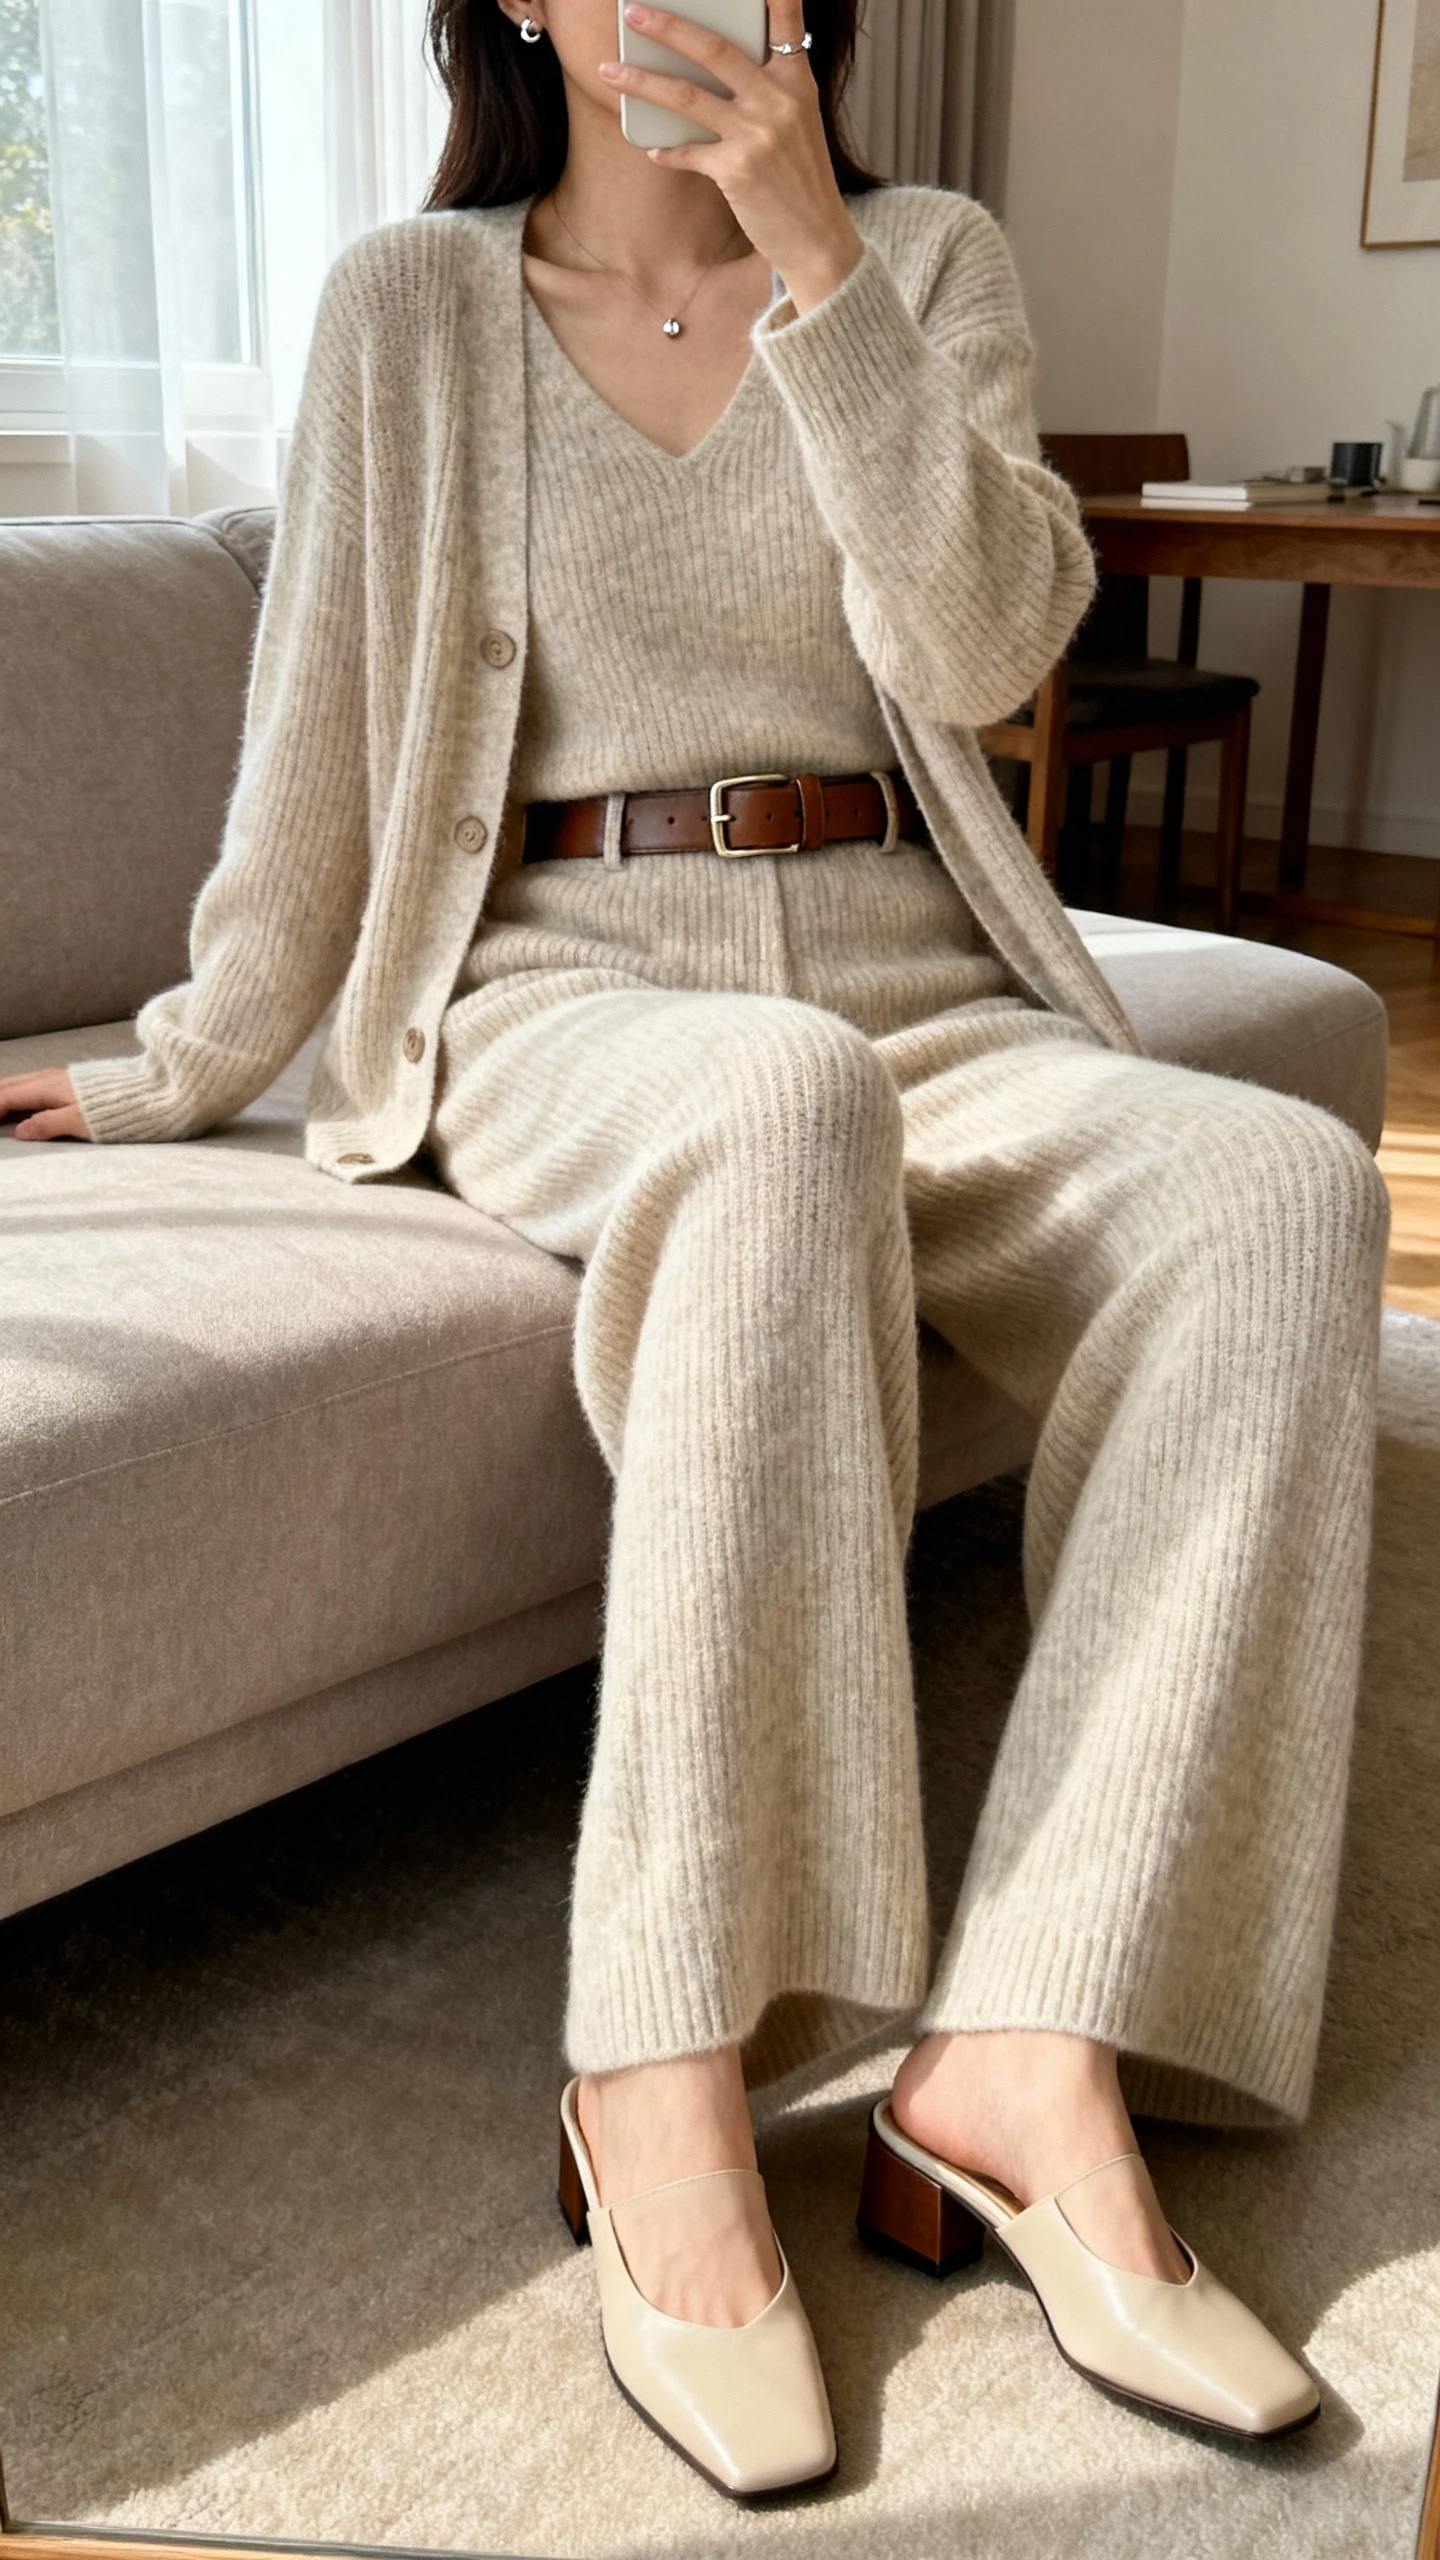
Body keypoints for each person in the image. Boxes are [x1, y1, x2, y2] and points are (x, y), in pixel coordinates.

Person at [0, 0, 1388, 2497]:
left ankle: (1024, 2053)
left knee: (1271, 1186)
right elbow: (311, 744)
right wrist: (187, 1051)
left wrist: (819, 265)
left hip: (915, 972)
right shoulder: (406, 312)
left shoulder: (928, 260)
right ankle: (657, 2059)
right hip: (568, 985)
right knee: (771, 1106)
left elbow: (985, 655)